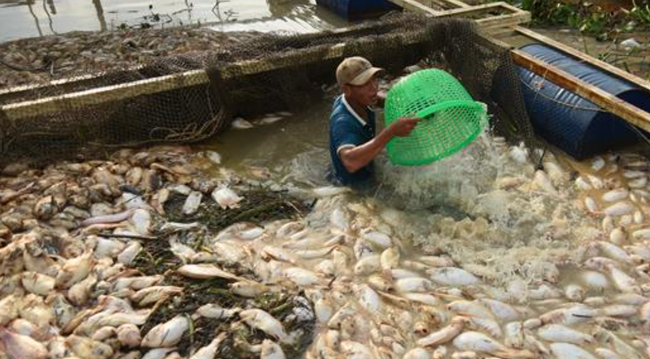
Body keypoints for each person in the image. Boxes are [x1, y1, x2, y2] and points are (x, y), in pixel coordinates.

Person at [329, 56, 420, 188]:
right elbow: (350, 162)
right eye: (365, 84)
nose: (374, 88)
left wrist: (408, 104)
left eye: (374, 80)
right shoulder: (343, 122)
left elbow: (378, 99)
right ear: (346, 90)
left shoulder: (357, 99)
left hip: (367, 167)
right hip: (353, 188)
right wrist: (391, 132)